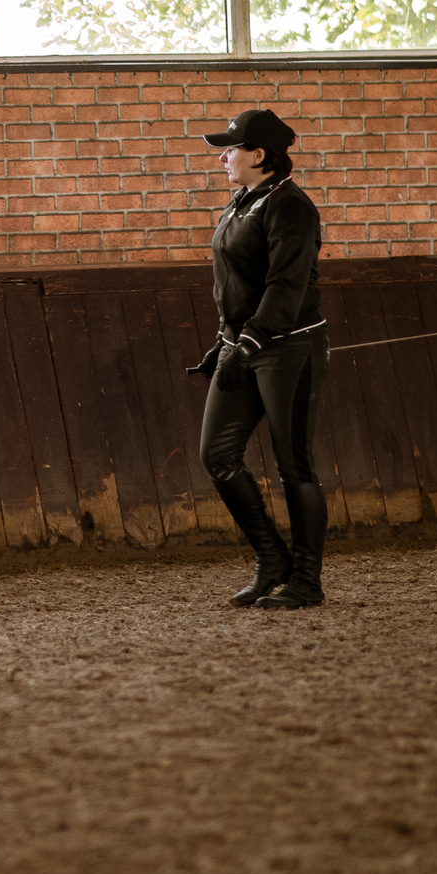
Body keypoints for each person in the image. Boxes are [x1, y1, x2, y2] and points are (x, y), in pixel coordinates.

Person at [186, 107, 328, 610]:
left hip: (287, 346)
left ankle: (307, 580)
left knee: (294, 466)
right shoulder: (242, 200)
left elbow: (285, 287)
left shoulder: (290, 207)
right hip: (243, 344)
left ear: (259, 155)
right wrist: (225, 339)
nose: (223, 155)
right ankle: (272, 560)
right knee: (217, 456)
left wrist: (248, 342)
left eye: (231, 148)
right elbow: (237, 283)